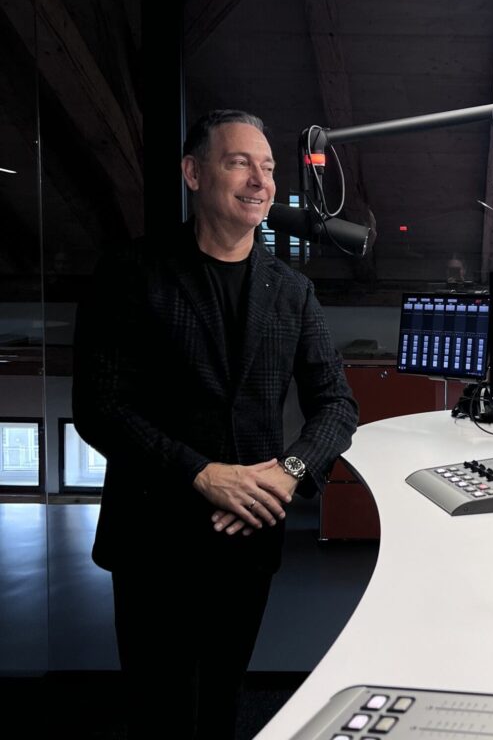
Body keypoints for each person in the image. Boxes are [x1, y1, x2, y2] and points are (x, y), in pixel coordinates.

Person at [73, 110, 359, 739]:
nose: (260, 180)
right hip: (154, 538)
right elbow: (99, 405)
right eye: (239, 162)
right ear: (194, 173)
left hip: (248, 539)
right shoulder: (130, 273)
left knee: (223, 706)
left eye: (268, 167)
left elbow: (337, 404)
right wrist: (200, 474)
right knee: (160, 712)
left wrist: (289, 473)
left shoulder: (292, 291)